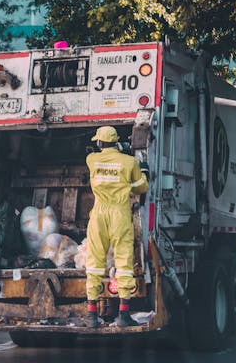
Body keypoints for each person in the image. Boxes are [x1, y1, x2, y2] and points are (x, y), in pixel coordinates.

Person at [84, 126, 149, 328]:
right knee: (123, 262)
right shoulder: (129, 162)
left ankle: (91, 315)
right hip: (120, 213)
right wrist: (143, 169)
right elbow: (142, 187)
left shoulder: (92, 160)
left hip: (99, 213)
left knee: (94, 263)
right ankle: (123, 314)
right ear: (117, 142)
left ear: (100, 143)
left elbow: (95, 157)